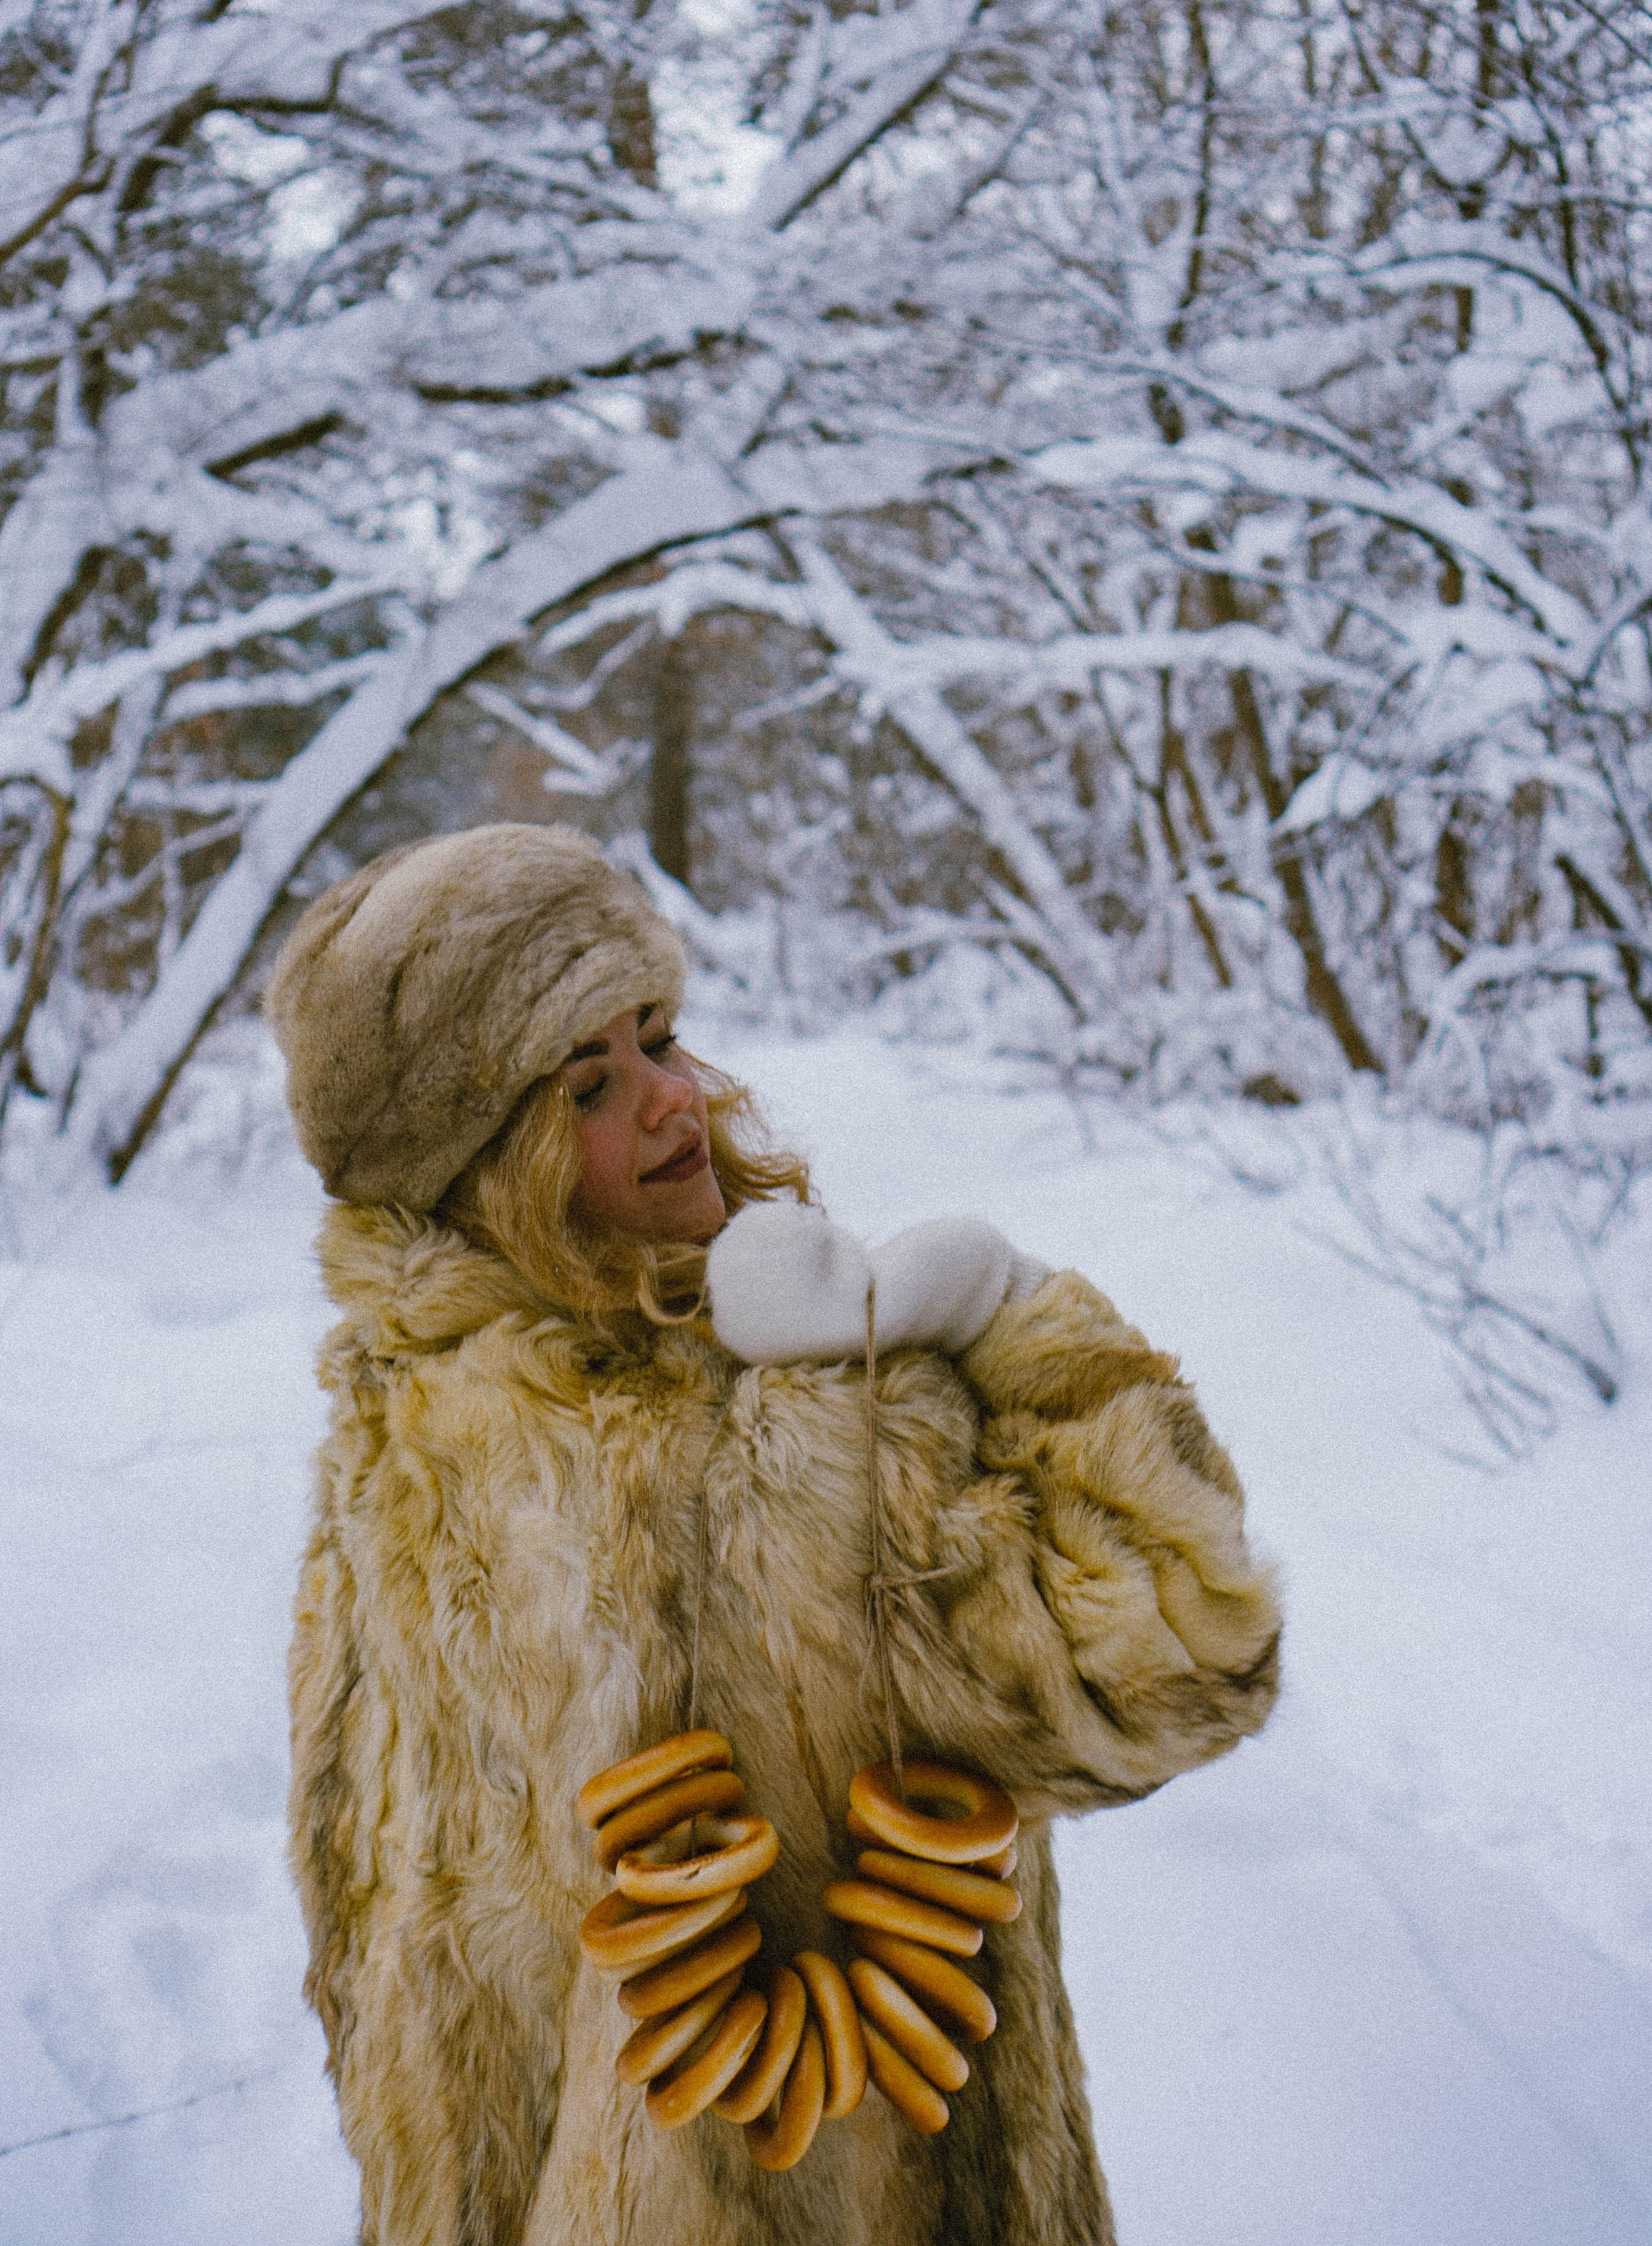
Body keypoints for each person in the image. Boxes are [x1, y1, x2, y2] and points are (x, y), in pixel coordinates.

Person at [267, 822, 1281, 2246]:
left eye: (659, 1036)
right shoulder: (777, 1446)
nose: (677, 1103)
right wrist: (1006, 1313)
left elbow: (364, 1926)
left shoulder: (390, 1434)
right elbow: (1191, 1643)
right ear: (480, 1163)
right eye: (587, 1085)